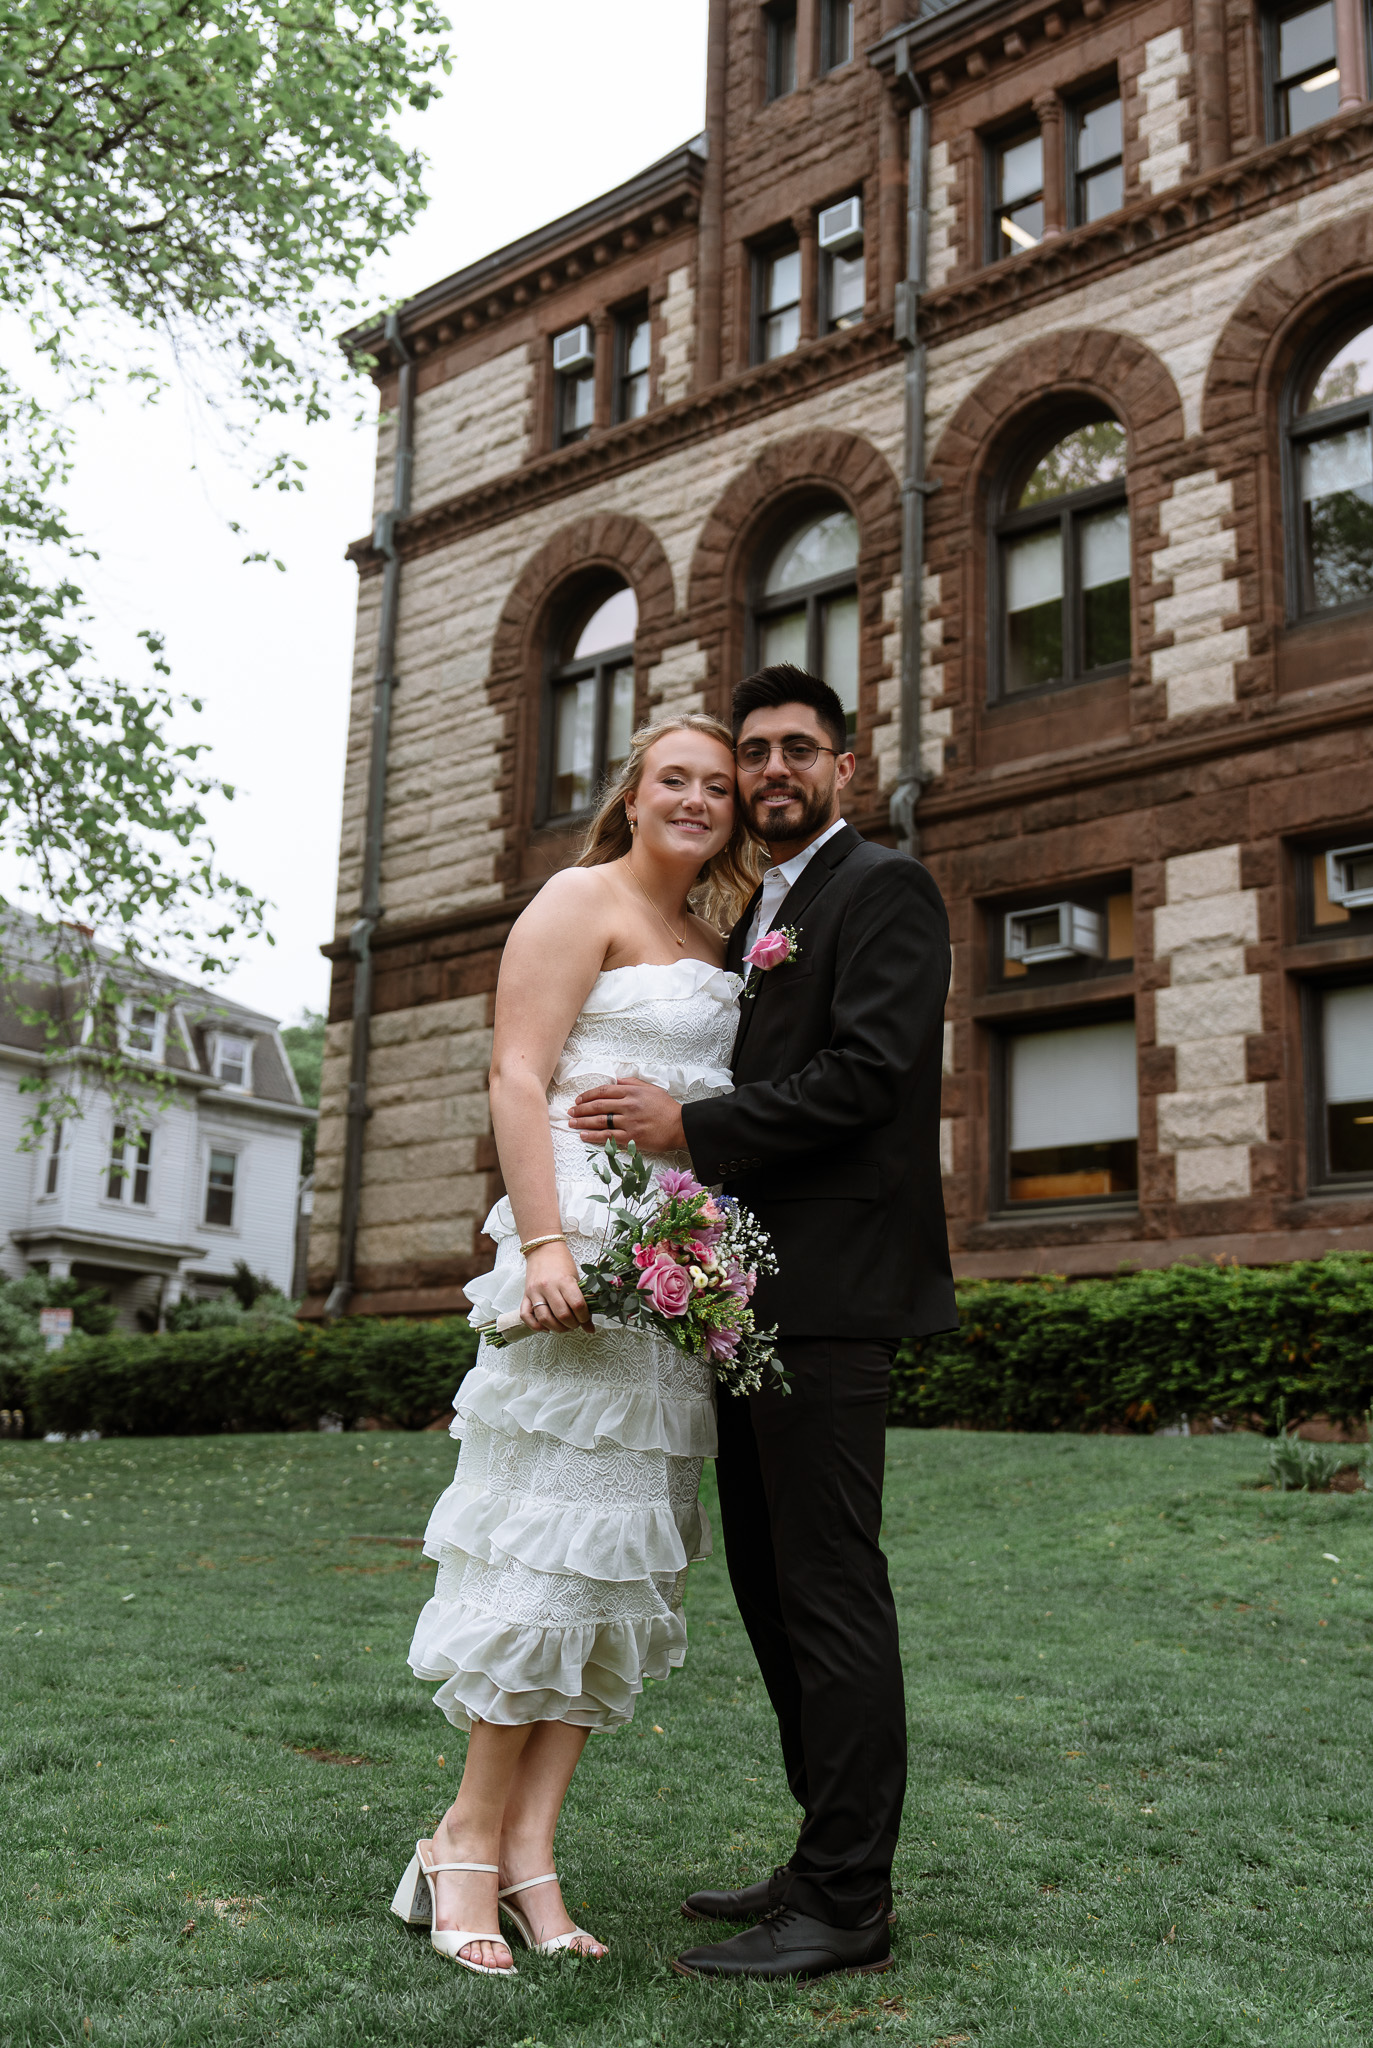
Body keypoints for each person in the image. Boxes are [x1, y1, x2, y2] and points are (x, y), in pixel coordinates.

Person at [568, 664, 955, 1982]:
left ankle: (847, 1901)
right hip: (748, 1296)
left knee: (830, 1589)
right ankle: (822, 1851)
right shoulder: (756, 910)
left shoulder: (884, 887)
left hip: (833, 1294)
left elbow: (868, 1075)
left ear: (844, 766)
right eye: (755, 752)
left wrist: (693, 1127)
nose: (773, 769)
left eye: (799, 747)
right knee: (776, 1595)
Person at [393, 712, 760, 1976]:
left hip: (673, 1289)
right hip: (576, 1263)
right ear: (633, 792)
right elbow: (517, 1074)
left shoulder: (716, 938)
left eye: (718, 786)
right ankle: (463, 1837)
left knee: (614, 1573)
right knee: (545, 1558)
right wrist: (545, 1244)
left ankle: (532, 1853)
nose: (698, 798)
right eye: (675, 778)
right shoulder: (577, 897)